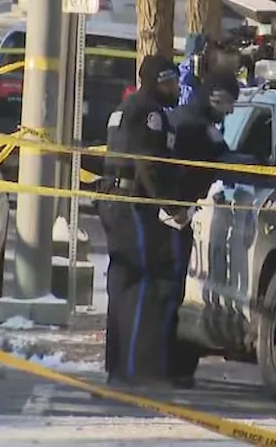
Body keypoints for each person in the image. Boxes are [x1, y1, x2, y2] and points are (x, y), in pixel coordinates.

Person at [97, 54, 188, 389]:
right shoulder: (148, 112)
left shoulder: (124, 108)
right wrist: (170, 206)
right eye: (171, 81)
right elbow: (148, 163)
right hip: (132, 205)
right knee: (140, 283)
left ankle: (119, 368)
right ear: (157, 81)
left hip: (115, 201)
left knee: (121, 285)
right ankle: (137, 371)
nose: (175, 88)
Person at [164, 71, 241, 386]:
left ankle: (166, 365)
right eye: (229, 104)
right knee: (170, 292)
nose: (231, 112)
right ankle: (169, 366)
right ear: (216, 98)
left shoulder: (189, 118)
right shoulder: (198, 125)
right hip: (175, 215)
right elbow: (227, 161)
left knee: (169, 292)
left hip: (176, 212)